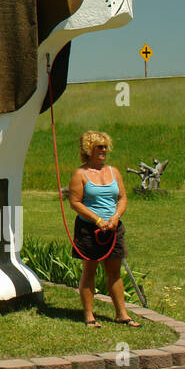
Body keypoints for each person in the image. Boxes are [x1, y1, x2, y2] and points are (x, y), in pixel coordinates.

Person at [68, 130, 139, 328]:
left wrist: (115, 217)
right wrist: (97, 219)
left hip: (113, 229)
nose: (104, 150)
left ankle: (122, 314)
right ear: (88, 149)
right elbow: (75, 202)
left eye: (105, 146)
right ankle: (89, 316)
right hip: (89, 230)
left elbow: (122, 198)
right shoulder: (80, 174)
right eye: (100, 146)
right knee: (89, 270)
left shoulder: (114, 172)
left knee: (114, 271)